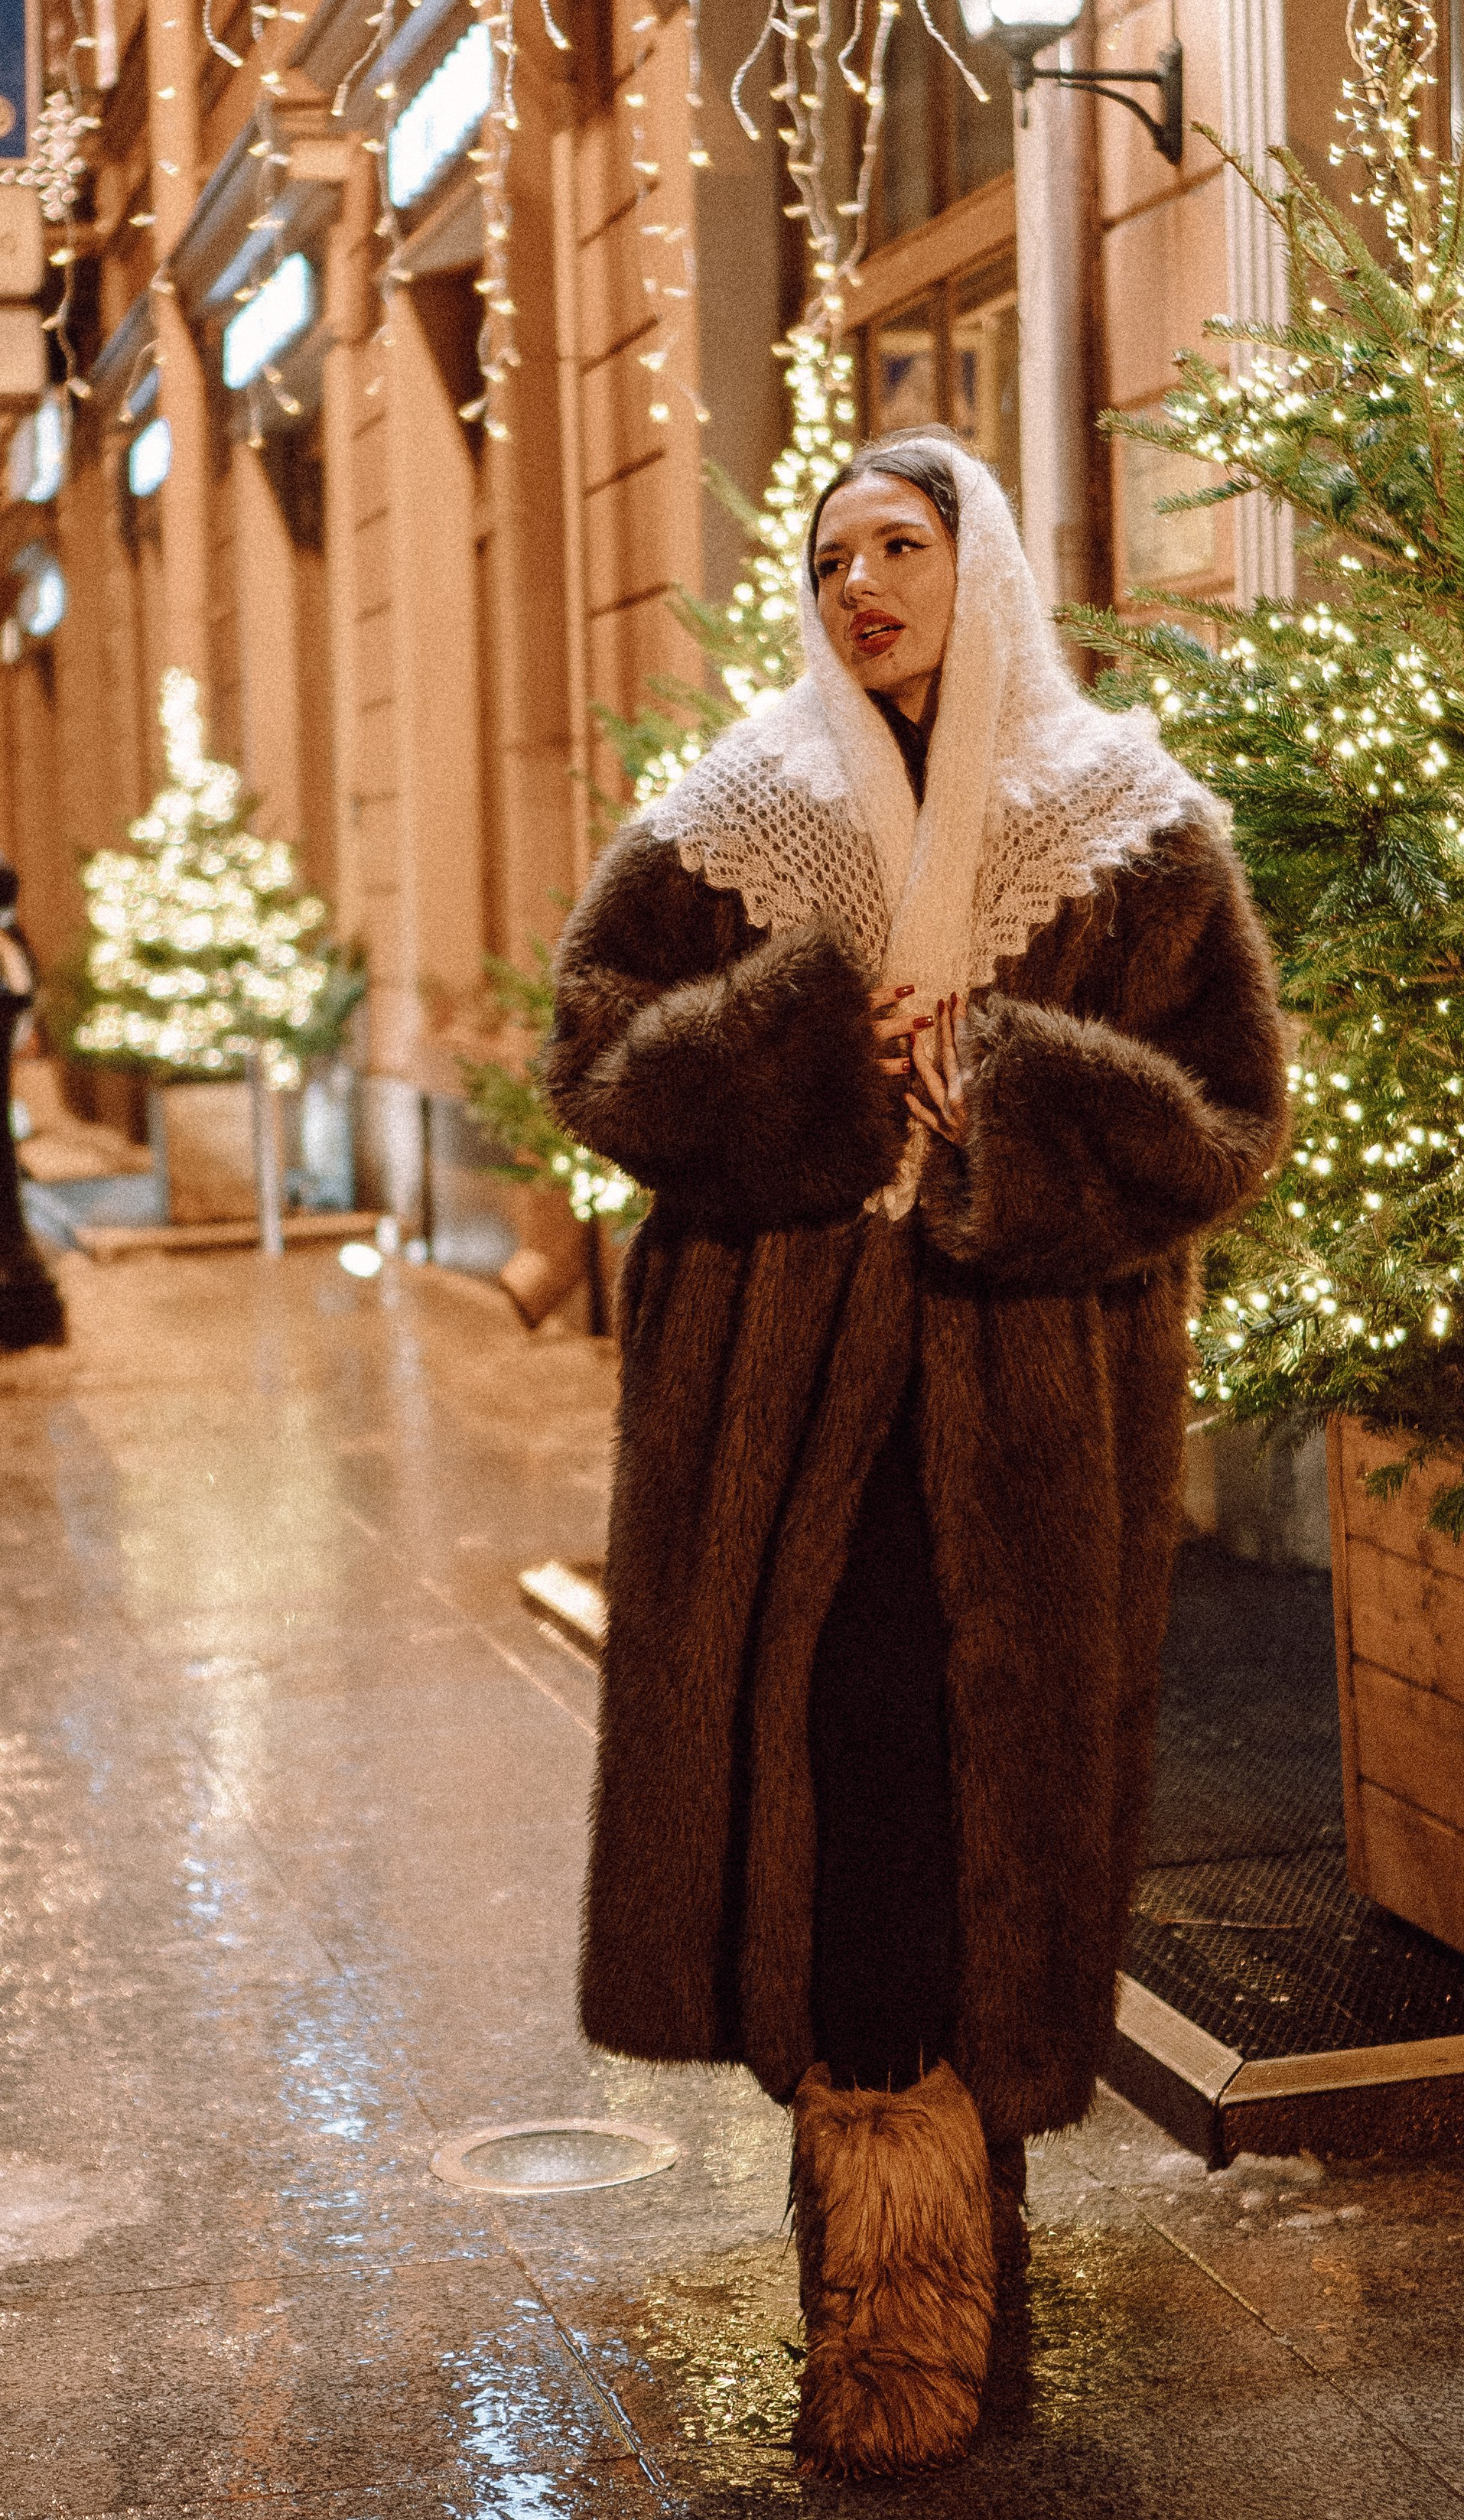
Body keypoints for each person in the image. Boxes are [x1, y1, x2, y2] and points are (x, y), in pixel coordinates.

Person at [544, 428, 1288, 2479]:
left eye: (902, 545)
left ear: (984, 569)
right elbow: (594, 1053)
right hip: (772, 1421)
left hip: (1029, 1406)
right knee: (838, 1771)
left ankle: (967, 2236)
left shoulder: (1130, 829)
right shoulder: (734, 817)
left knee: (999, 1793)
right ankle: (868, 2257)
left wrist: (1006, 1081)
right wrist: (807, 1028)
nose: (862, 582)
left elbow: (1228, 1111)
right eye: (832, 554)